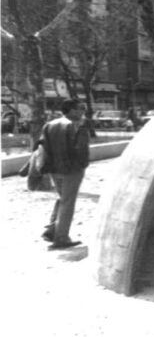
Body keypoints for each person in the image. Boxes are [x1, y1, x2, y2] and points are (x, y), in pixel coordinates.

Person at [40, 99, 90, 250]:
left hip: (55, 169)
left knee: (62, 199)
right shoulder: (75, 126)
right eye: (81, 108)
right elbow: (80, 150)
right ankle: (61, 238)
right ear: (72, 110)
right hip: (72, 170)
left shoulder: (49, 124)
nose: (83, 111)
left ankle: (51, 229)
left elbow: (42, 147)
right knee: (68, 203)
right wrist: (82, 165)